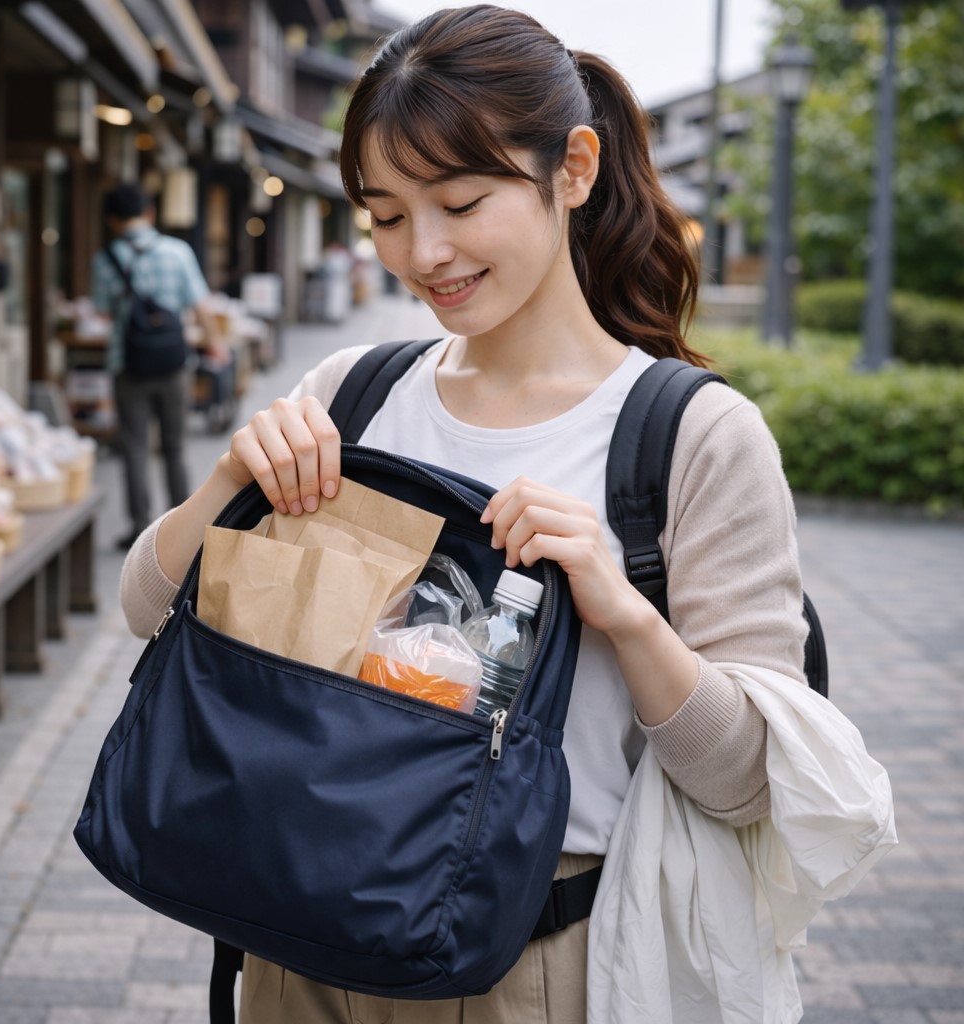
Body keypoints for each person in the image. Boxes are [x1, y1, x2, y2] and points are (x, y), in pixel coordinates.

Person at [119, 7, 810, 1022]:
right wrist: (227, 481)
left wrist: (622, 610)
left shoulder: (687, 438)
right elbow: (146, 609)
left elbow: (752, 780)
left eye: (459, 201)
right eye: (387, 214)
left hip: (522, 966)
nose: (423, 252)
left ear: (572, 169)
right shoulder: (355, 393)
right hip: (290, 940)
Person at [92, 183, 225, 551]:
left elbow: (102, 311)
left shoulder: (106, 259)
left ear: (113, 220)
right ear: (148, 213)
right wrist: (216, 343)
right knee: (175, 446)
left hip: (128, 364)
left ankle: (139, 529)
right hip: (172, 363)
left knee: (134, 447)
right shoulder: (176, 252)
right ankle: (184, 528)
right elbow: (200, 304)